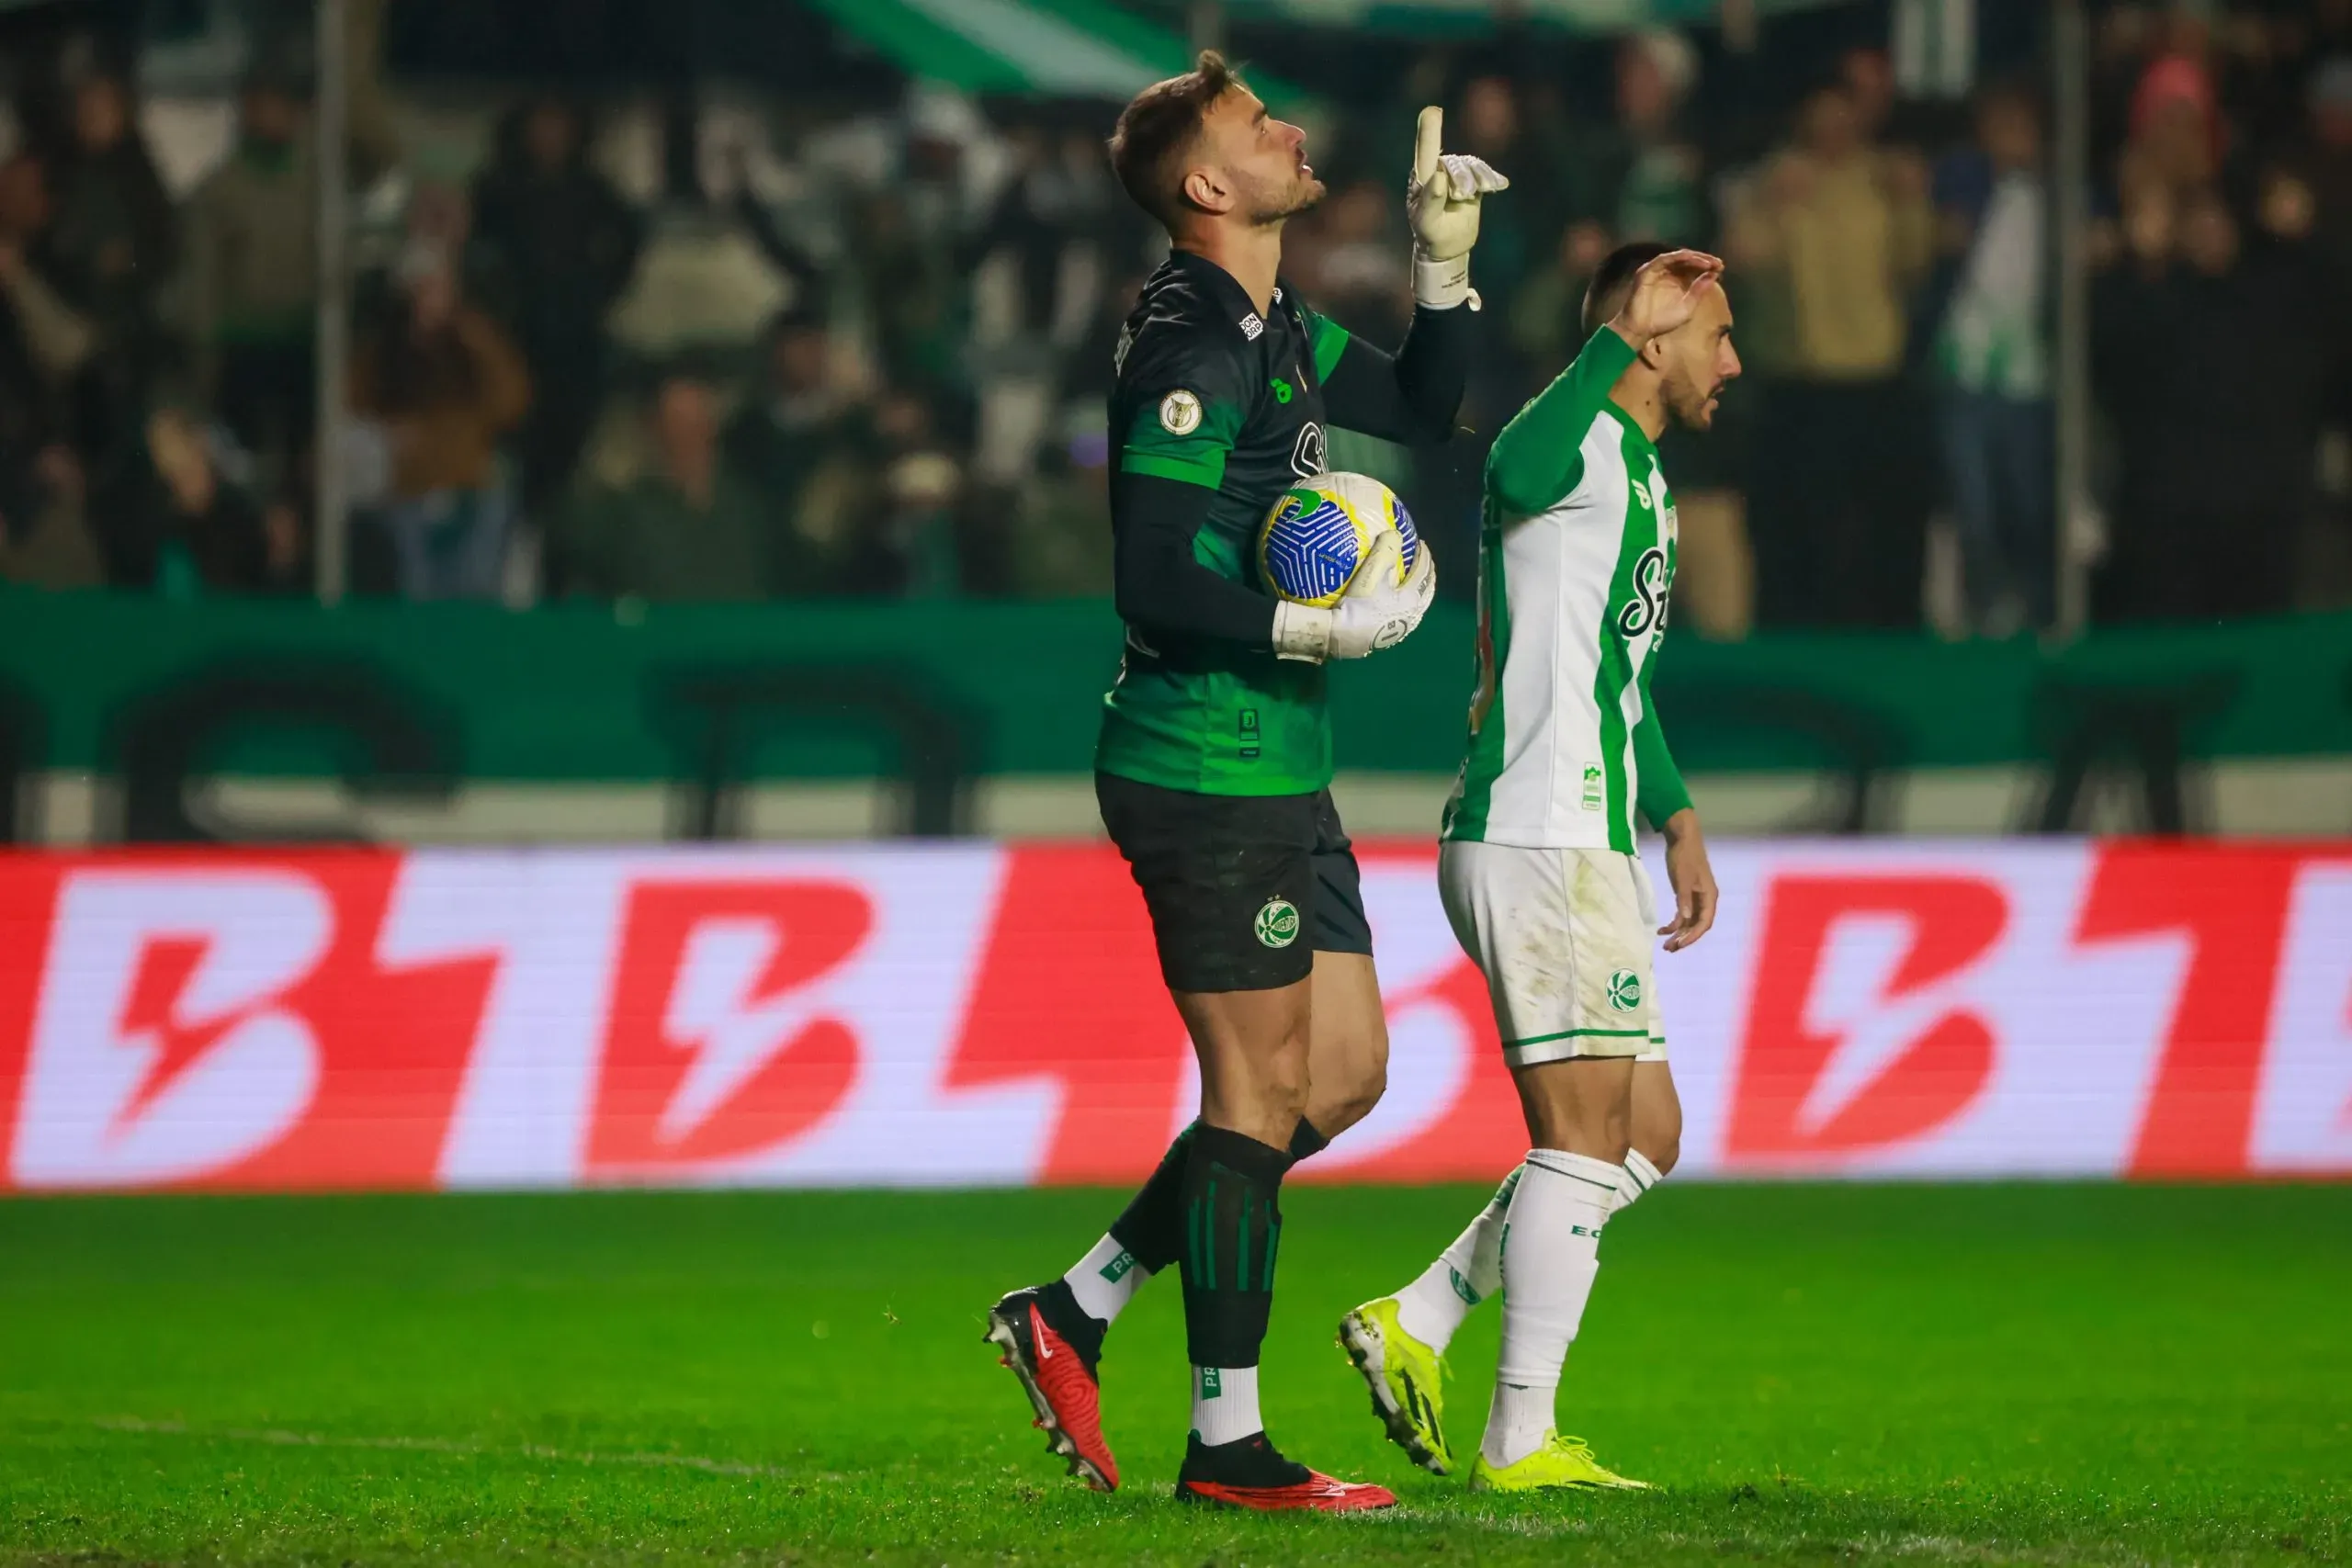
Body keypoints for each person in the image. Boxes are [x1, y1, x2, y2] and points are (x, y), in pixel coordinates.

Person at [980, 53, 1504, 1510]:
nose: (1286, 127)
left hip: (1282, 759)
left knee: (1339, 1077)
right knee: (1257, 1082)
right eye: (1251, 124)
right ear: (1209, 189)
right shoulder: (1189, 347)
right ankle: (1227, 1443)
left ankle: (1074, 1307)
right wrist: (1298, 621)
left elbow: (1426, 400)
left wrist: (1443, 268)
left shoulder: (1272, 321)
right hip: (1201, 759)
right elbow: (1147, 569)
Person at [1339, 244, 1732, 1492]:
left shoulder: (1642, 474)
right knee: (1578, 1134)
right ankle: (1521, 1436)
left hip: (1588, 830)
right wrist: (1618, 332)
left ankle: (1422, 1317)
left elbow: (1618, 678)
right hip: (1543, 831)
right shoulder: (1574, 445)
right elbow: (1503, 466)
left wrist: (1673, 813)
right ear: (1654, 333)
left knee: (1643, 1134)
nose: (1732, 358)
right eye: (1714, 332)